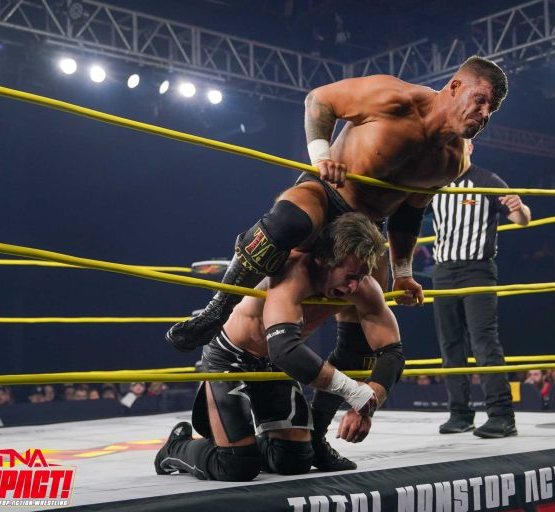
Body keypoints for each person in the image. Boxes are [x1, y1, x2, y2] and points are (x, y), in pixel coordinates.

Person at [166, 55, 509, 468]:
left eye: (492, 109)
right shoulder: (393, 98)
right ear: (455, 86)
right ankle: (216, 312)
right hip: (327, 193)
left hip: (367, 229)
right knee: (287, 224)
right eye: (480, 100)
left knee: (360, 338)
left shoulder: (452, 161)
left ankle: (316, 436)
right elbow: (319, 100)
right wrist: (321, 155)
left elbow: (410, 212)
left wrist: (402, 273)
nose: (484, 114)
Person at [155, 213, 404, 481]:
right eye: (350, 276)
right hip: (231, 356)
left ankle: (251, 447)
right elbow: (284, 348)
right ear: (324, 260)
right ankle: (176, 446)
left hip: (275, 362)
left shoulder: (362, 288)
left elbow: (392, 352)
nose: (354, 286)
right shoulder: (292, 275)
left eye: (362, 275)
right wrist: (353, 391)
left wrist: (368, 402)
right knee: (236, 466)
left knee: (294, 460)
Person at [431, 138, 531, 438]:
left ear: (470, 148)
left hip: (477, 270)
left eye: (459, 144)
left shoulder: (487, 181)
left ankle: (502, 416)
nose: (453, 149)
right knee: (450, 346)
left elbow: (522, 219)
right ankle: (460, 414)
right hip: (442, 272)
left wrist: (520, 207)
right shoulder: (434, 183)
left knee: (484, 342)